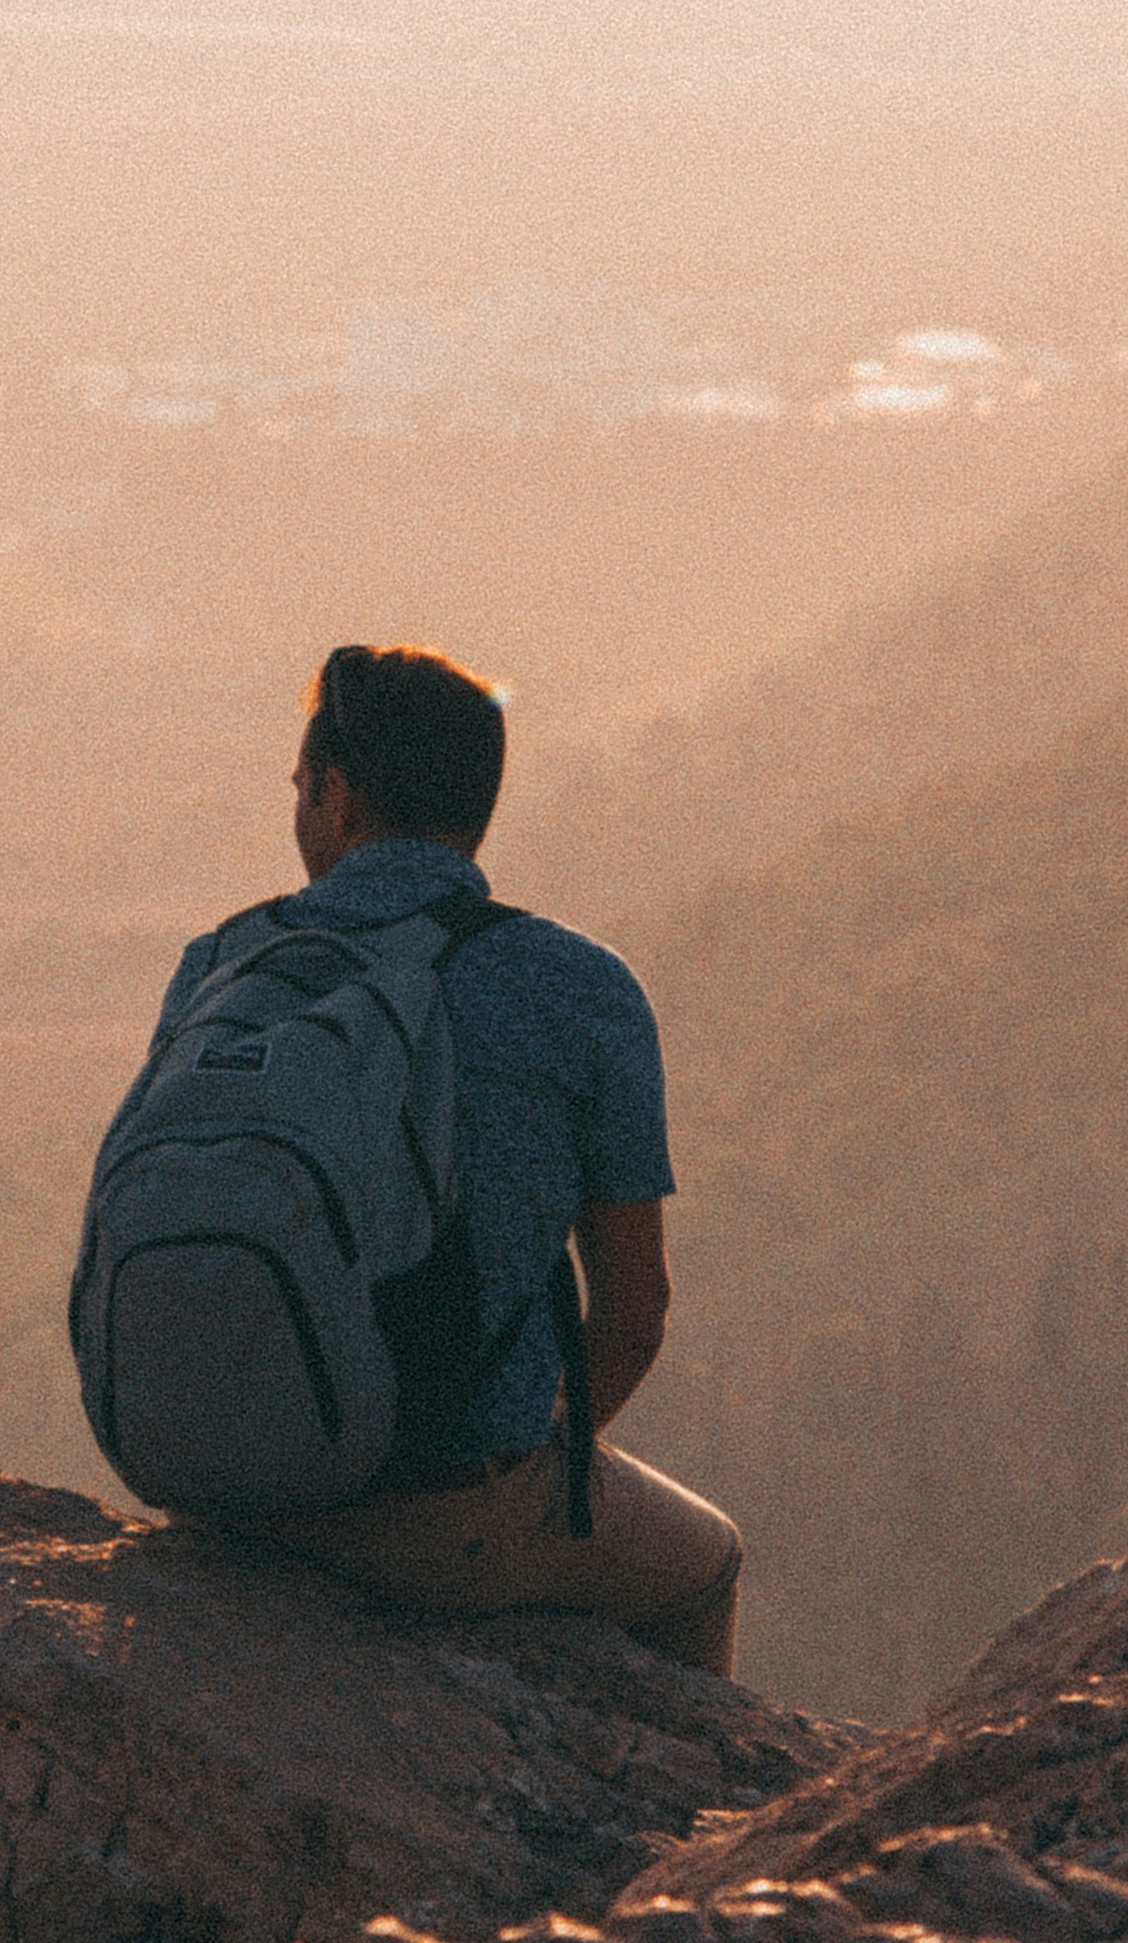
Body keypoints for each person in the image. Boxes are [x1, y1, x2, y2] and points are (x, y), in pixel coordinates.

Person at [145, 639, 744, 1671]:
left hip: (219, 1491)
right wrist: (505, 1454)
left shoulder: (218, 965)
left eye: (299, 788)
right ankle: (707, 1828)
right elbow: (634, 1317)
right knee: (709, 1563)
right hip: (443, 1525)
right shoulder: (580, 988)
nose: (295, 814)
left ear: (337, 798)